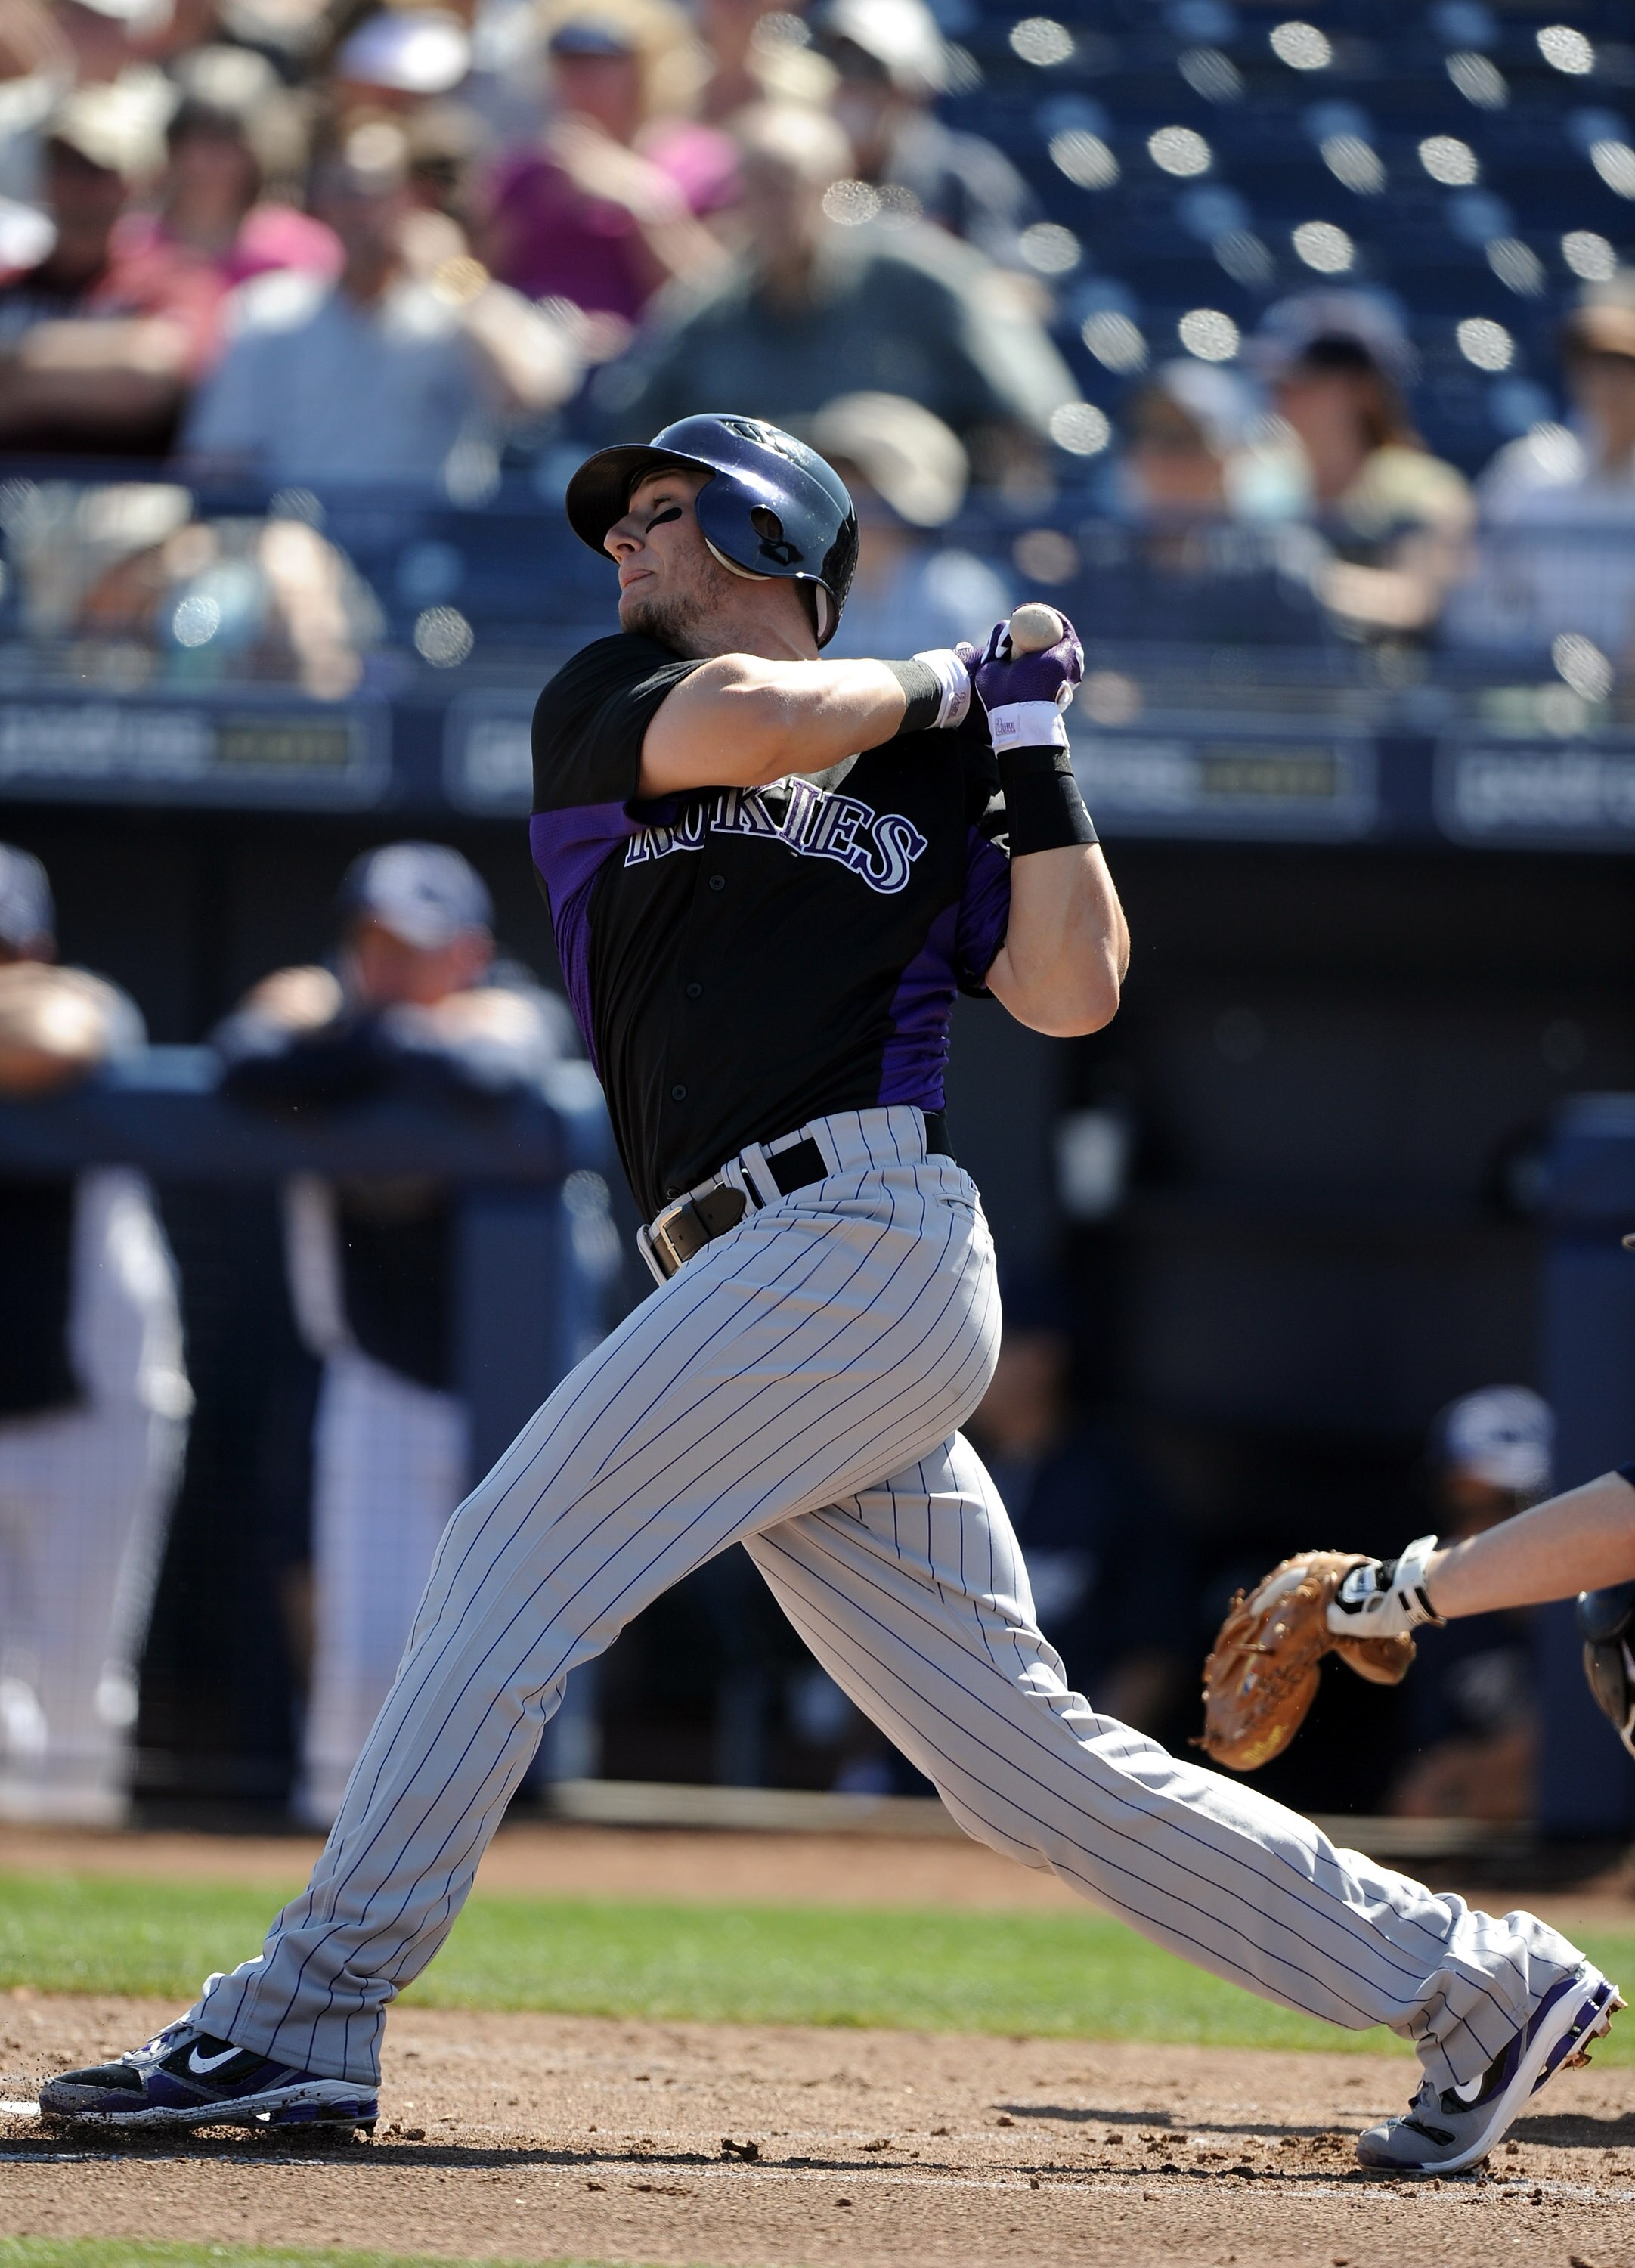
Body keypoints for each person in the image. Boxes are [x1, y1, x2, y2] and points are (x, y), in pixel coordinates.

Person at [41, 414, 1618, 2183]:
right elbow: (746, 722)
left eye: (656, 515)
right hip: (751, 1276)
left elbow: (1074, 985)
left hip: (855, 1238)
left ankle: (301, 2010)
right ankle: (1479, 1982)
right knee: (1018, 1761)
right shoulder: (614, 699)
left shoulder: (938, 761)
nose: (621, 550)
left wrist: (1030, 746)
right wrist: (956, 676)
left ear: (764, 526)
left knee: (502, 1556)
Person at [213, 843, 574, 1826]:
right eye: (370, 945)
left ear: (466, 952)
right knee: (368, 1655)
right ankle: (338, 1853)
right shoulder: (327, 1013)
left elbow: (495, 1068)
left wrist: (366, 1048)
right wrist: (371, 1041)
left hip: (529, 1400)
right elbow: (244, 1065)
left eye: (410, 947)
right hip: (380, 1377)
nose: (386, 965)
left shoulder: (509, 1005)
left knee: (507, 1661)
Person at [0, 843, 190, 1824]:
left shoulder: (82, 1001)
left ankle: (68, 1919)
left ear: (35, 945)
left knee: (78, 1693)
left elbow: (54, 1035)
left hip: (96, 1407)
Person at [610, 104, 1078, 486]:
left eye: (787, 183)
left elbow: (1034, 411)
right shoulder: (710, 306)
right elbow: (628, 421)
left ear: (832, 186)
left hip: (910, 553)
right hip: (759, 547)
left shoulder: (923, 278)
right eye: (755, 186)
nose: (773, 206)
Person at [182, 120, 578, 486]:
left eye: (377, 193)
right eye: (345, 193)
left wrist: (456, 277)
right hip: (295, 539)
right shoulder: (268, 311)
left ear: (410, 201)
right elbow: (219, 457)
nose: (360, 213)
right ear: (321, 205)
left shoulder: (457, 308)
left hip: (433, 548)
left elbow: (537, 391)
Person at [964, 1272, 1190, 1739]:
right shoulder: (936, 1470)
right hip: (927, 1760)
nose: (961, 1364)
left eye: (983, 1344)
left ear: (1043, 1358)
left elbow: (1154, 1651)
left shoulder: (1113, 1486)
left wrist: (1092, 1770)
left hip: (1054, 1767)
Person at [477, 0, 731, 349]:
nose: (581, 82)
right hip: (544, 359)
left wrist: (639, 199)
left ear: (644, 70)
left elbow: (713, 297)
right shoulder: (526, 171)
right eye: (569, 66)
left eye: (601, 66)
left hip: (654, 367)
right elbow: (481, 283)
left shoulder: (699, 162)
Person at [0, 85, 222, 457]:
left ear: (136, 183)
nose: (77, 185)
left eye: (96, 170)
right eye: (64, 164)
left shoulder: (174, 281)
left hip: (120, 502)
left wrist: (17, 370)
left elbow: (148, 377)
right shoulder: (11, 284)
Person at [1253, 290, 1473, 638]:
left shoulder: (1423, 486)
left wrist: (1311, 580)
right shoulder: (1257, 479)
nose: (1287, 396)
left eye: (1309, 380)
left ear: (1363, 389)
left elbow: (1423, 599)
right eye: (1281, 383)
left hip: (1392, 682)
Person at [1382, 1388, 1552, 1823]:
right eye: (1462, 1506)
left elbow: (1594, 1769)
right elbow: (1428, 1784)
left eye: (1505, 1505)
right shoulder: (1441, 1612)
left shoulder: (1608, 1599)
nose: (1480, 1529)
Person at [1446, 280, 1635, 668]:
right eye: (1589, 360)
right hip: (1542, 706)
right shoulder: (1530, 469)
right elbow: (1474, 603)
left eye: (1623, 363)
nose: (1604, 380)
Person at [812, 0, 1039, 273]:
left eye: (866, 67)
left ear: (913, 89)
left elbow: (1019, 293)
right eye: (830, 62)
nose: (845, 84)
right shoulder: (789, 179)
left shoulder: (966, 176)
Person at [110, 47, 341, 302]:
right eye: (192, 135)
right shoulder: (129, 242)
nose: (206, 157)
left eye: (226, 138)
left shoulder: (300, 249)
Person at [806, 389, 1009, 660]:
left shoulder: (961, 594)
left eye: (868, 494)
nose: (848, 512)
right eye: (838, 488)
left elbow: (986, 689)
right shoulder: (801, 590)